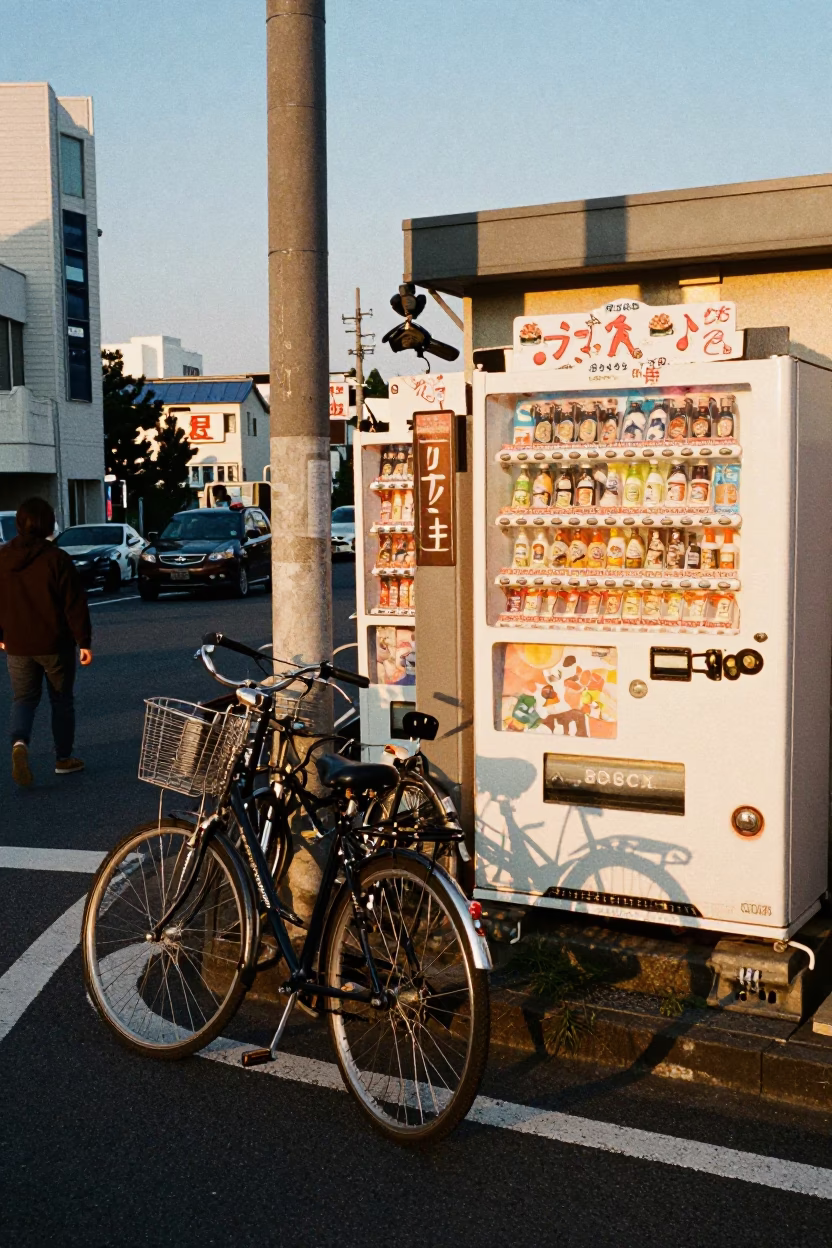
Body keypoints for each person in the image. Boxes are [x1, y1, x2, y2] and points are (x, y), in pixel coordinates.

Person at [0, 497, 92, 787]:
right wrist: (84, 641)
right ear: (49, 523)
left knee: (24, 699)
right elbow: (74, 603)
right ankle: (63, 758)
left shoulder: (2, 557)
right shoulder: (57, 559)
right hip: (55, 644)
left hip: (16, 643)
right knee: (61, 700)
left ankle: (19, 744)